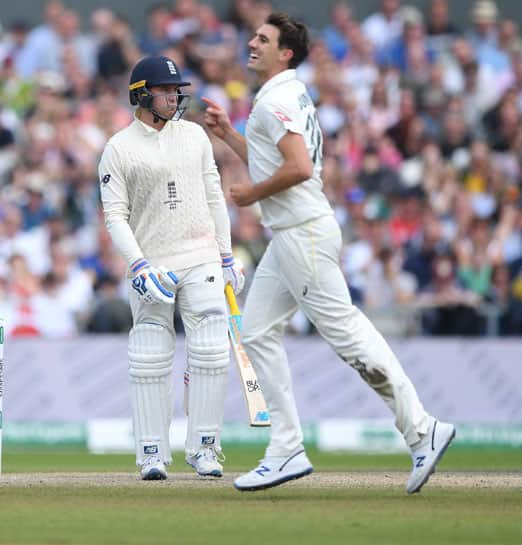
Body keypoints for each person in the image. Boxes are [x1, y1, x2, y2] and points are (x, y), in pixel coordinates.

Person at [202, 13, 455, 494]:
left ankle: (423, 430)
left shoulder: (274, 99)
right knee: (255, 332)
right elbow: (280, 157)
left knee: (349, 336)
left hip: (303, 233)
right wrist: (227, 136)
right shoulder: (286, 93)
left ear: (286, 53)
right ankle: (286, 448)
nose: (251, 43)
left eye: (263, 39)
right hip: (294, 235)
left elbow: (297, 167)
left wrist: (252, 194)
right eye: (254, 36)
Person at [98, 55, 244, 480]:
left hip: (201, 256)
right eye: (166, 91)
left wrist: (227, 253)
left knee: (212, 351)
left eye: (177, 90)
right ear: (142, 94)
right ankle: (151, 452)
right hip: (152, 266)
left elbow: (214, 196)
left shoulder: (195, 136)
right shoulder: (119, 148)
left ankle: (204, 448)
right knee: (148, 353)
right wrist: (139, 265)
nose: (175, 97)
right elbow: (115, 216)